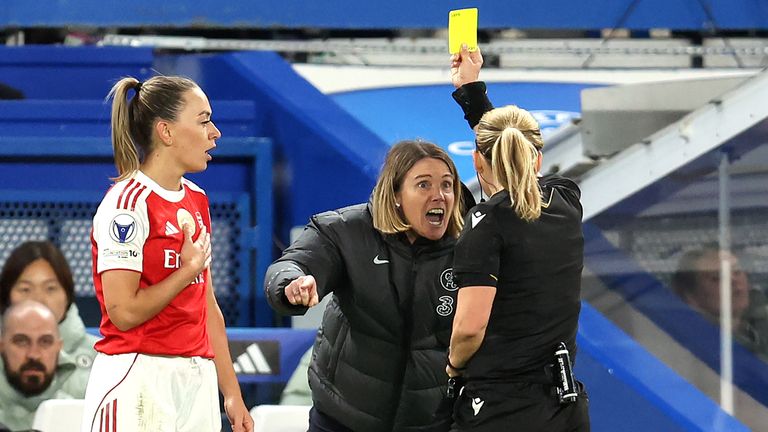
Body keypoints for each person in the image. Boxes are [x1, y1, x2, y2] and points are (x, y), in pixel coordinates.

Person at [82, 75, 252, 432]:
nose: (215, 132)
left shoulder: (197, 199)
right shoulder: (126, 205)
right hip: (138, 376)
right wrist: (184, 272)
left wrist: (231, 393)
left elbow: (206, 306)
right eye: (204, 120)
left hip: (196, 378)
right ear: (166, 132)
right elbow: (123, 312)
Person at [265, 139, 470, 432]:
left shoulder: (473, 244)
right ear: (396, 193)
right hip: (343, 418)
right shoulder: (345, 230)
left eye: (447, 185)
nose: (439, 196)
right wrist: (290, 284)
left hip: (430, 422)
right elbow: (293, 264)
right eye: (424, 185)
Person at [445, 45, 590, 431]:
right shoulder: (566, 199)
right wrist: (472, 92)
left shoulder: (485, 223)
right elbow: (512, 155)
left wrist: (454, 364)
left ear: (476, 161)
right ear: (537, 159)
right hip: (563, 407)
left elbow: (470, 328)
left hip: (500, 409)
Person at [0, 240, 98, 372]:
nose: (38, 300)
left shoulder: (103, 357)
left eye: (50, 288)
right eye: (25, 289)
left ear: (67, 296)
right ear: (7, 297)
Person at [0, 300, 86, 430]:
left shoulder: (80, 419)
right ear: (2, 346)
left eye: (45, 342)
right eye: (21, 341)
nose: (34, 354)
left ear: (59, 347)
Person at [671, 246, 768, 358]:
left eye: (737, 272)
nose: (733, 280)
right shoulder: (691, 348)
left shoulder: (759, 327)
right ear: (690, 296)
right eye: (717, 277)